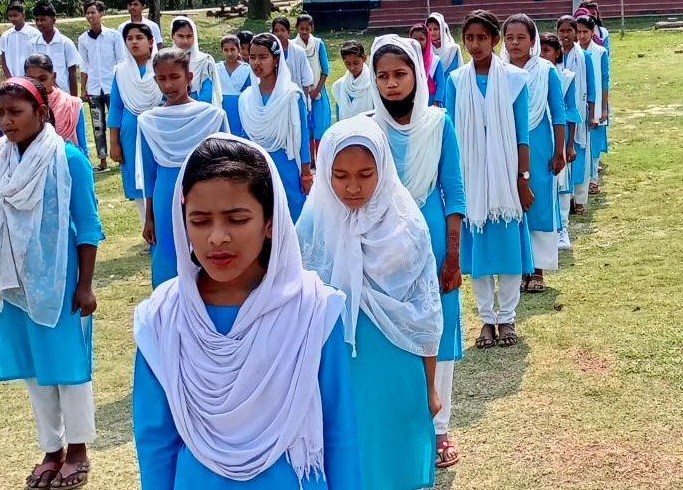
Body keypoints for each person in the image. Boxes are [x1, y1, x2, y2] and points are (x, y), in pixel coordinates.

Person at [133, 134, 362, 489]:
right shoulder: (164, 318)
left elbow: (339, 429)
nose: (217, 237)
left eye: (237, 219)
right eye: (200, 221)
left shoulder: (312, 309)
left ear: (270, 222)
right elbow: (155, 440)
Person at [0, 76, 105, 489]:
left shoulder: (68, 158)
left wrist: (85, 285)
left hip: (58, 279)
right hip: (11, 279)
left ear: (41, 112)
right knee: (33, 368)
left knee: (67, 365)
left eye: (16, 112)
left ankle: (78, 449)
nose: (6, 121)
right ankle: (51, 449)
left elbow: (88, 226)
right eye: (0, 113)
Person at [298, 118, 441, 490]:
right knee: (349, 459)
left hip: (395, 362)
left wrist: (431, 387)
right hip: (337, 368)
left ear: (384, 169)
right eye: (340, 176)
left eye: (365, 174)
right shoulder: (312, 228)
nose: (353, 187)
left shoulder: (407, 229)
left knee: (393, 459)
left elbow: (424, 316)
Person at [365, 35, 466, 469]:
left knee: (436, 330)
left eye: (400, 74)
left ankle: (440, 427)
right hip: (381, 243)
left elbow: (454, 192)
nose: (391, 84)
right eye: (382, 76)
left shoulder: (439, 124)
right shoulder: (366, 127)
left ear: (417, 76)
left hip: (434, 241)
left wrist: (453, 257)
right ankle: (401, 424)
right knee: (390, 328)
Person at [443, 11, 534, 349]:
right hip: (471, 177)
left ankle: (507, 318)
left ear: (495, 40)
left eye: (482, 37)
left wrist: (522, 179)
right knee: (479, 255)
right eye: (469, 38)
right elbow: (450, 134)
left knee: (508, 251)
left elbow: (522, 136)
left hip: (506, 179)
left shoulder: (515, 79)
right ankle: (486, 319)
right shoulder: (455, 81)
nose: (475, 44)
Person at [138, 48, 230, 287]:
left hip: (206, 193)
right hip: (165, 195)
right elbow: (149, 174)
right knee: (167, 250)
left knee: (207, 245)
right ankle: (168, 300)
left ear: (189, 77)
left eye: (174, 77)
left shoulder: (212, 116)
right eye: (162, 78)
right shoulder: (149, 121)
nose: (168, 85)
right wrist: (149, 217)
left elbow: (226, 165)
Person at [501, 15, 566, 293]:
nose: (515, 43)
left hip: (539, 144)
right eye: (509, 38)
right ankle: (519, 267)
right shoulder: (498, 72)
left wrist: (560, 150)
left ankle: (537, 269)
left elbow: (559, 113)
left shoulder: (546, 71)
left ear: (533, 41)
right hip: (506, 143)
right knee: (511, 201)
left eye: (521, 38)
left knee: (537, 203)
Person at [241, 33, 313, 222]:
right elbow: (245, 137)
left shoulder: (292, 96)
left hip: (286, 162)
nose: (256, 63)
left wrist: (306, 174)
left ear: (276, 59)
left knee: (293, 210)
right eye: (252, 57)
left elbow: (302, 137)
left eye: (263, 57)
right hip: (257, 165)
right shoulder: (246, 98)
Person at [111, 22, 164, 224]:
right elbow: (116, 107)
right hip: (131, 134)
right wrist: (114, 142)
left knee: (160, 176)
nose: (134, 42)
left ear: (150, 42)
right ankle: (147, 227)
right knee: (137, 179)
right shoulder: (121, 72)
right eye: (130, 38)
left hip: (158, 130)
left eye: (139, 38)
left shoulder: (162, 67)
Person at [540, 33, 581, 252]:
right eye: (539, 51)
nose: (542, 55)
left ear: (557, 53)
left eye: (547, 51)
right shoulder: (532, 75)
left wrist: (570, 144)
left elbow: (570, 111)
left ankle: (562, 228)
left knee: (563, 183)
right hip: (540, 135)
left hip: (560, 135)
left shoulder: (566, 77)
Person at [79, 0, 124, 172]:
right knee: (98, 125)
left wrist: (121, 85)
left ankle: (120, 157)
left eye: (93, 12)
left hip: (112, 86)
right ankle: (102, 160)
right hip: (94, 88)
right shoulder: (83, 39)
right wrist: (83, 88)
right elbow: (84, 65)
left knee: (116, 122)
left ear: (101, 14)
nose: (90, 16)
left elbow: (121, 61)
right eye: (88, 13)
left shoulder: (113, 36)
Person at [559, 16, 597, 215]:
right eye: (562, 31)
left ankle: (580, 199)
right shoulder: (553, 55)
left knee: (580, 155)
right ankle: (567, 197)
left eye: (569, 31)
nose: (565, 35)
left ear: (575, 33)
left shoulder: (584, 57)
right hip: (560, 113)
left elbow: (591, 88)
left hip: (580, 114)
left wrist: (592, 114)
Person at [575, 14, 611, 197]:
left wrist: (603, 108)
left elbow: (604, 81)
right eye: (579, 32)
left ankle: (593, 179)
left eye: (585, 32)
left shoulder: (600, 52)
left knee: (594, 144)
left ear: (592, 32)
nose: (581, 36)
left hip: (596, 103)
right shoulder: (570, 53)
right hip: (577, 102)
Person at [25, 54, 88, 152]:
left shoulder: (72, 104)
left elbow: (82, 147)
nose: (38, 85)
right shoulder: (22, 106)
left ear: (54, 77)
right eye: (32, 80)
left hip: (68, 159)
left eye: (42, 79)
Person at [169, 17, 224, 108]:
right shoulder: (166, 61)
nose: (185, 41)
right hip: (172, 108)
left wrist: (192, 109)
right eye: (180, 36)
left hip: (200, 109)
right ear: (172, 36)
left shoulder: (204, 60)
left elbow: (207, 93)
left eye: (189, 36)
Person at [295, 14, 332, 145]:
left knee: (319, 126)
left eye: (307, 29)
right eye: (301, 28)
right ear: (297, 28)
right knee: (304, 127)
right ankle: (309, 155)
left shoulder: (318, 44)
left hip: (318, 91)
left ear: (312, 28)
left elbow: (325, 70)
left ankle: (321, 154)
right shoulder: (293, 46)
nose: (304, 32)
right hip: (300, 92)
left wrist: (316, 90)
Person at [31, 3, 83, 97]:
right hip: (40, 96)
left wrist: (73, 99)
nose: (39, 23)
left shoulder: (66, 43)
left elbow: (72, 74)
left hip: (63, 95)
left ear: (53, 20)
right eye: (37, 20)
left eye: (43, 19)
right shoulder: (32, 44)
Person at [220, 34, 254, 138]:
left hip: (241, 107)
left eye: (232, 49)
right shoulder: (217, 69)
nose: (229, 53)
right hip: (221, 105)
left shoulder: (247, 69)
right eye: (226, 50)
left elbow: (251, 91)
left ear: (238, 50)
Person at [333, 41, 377, 121]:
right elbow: (339, 116)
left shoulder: (374, 84)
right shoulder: (339, 86)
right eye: (348, 64)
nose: (352, 68)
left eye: (356, 63)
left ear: (364, 59)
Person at [0, 2, 44, 78]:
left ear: (23, 15)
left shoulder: (35, 34)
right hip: (12, 79)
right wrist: (9, 78)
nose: (12, 18)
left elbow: (40, 58)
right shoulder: (6, 36)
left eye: (15, 15)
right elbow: (3, 60)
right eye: (10, 16)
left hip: (31, 79)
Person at [425, 13, 461, 108]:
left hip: (450, 89)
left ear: (442, 29)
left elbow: (456, 71)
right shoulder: (426, 50)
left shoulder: (453, 49)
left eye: (436, 29)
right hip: (432, 95)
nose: (432, 32)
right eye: (429, 29)